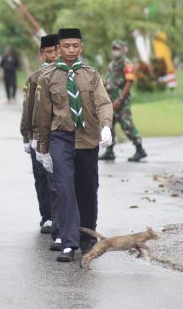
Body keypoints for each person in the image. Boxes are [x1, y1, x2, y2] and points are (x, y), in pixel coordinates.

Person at [35, 28, 113, 263]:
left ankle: (87, 234)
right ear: (58, 49)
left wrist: (106, 125)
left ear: (81, 48)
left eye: (75, 46)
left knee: (88, 189)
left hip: (88, 137)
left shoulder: (91, 75)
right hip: (62, 138)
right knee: (64, 188)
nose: (70, 50)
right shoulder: (48, 77)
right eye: (65, 46)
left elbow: (103, 103)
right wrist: (43, 148)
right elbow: (43, 116)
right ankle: (68, 242)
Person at [19, 34, 58, 235]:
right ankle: (47, 216)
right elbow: (28, 108)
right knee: (41, 178)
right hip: (37, 135)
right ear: (42, 54)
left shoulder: (66, 75)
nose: (53, 56)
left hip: (58, 134)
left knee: (57, 180)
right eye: (49, 52)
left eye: (56, 51)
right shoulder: (34, 78)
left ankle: (61, 217)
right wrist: (27, 137)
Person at [99, 40, 147, 162]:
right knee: (108, 125)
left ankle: (139, 149)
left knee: (127, 124)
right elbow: (109, 80)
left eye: (117, 48)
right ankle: (109, 151)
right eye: (114, 48)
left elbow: (130, 81)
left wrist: (120, 99)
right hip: (110, 101)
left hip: (121, 101)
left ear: (123, 49)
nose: (115, 51)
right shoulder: (112, 64)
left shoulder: (127, 63)